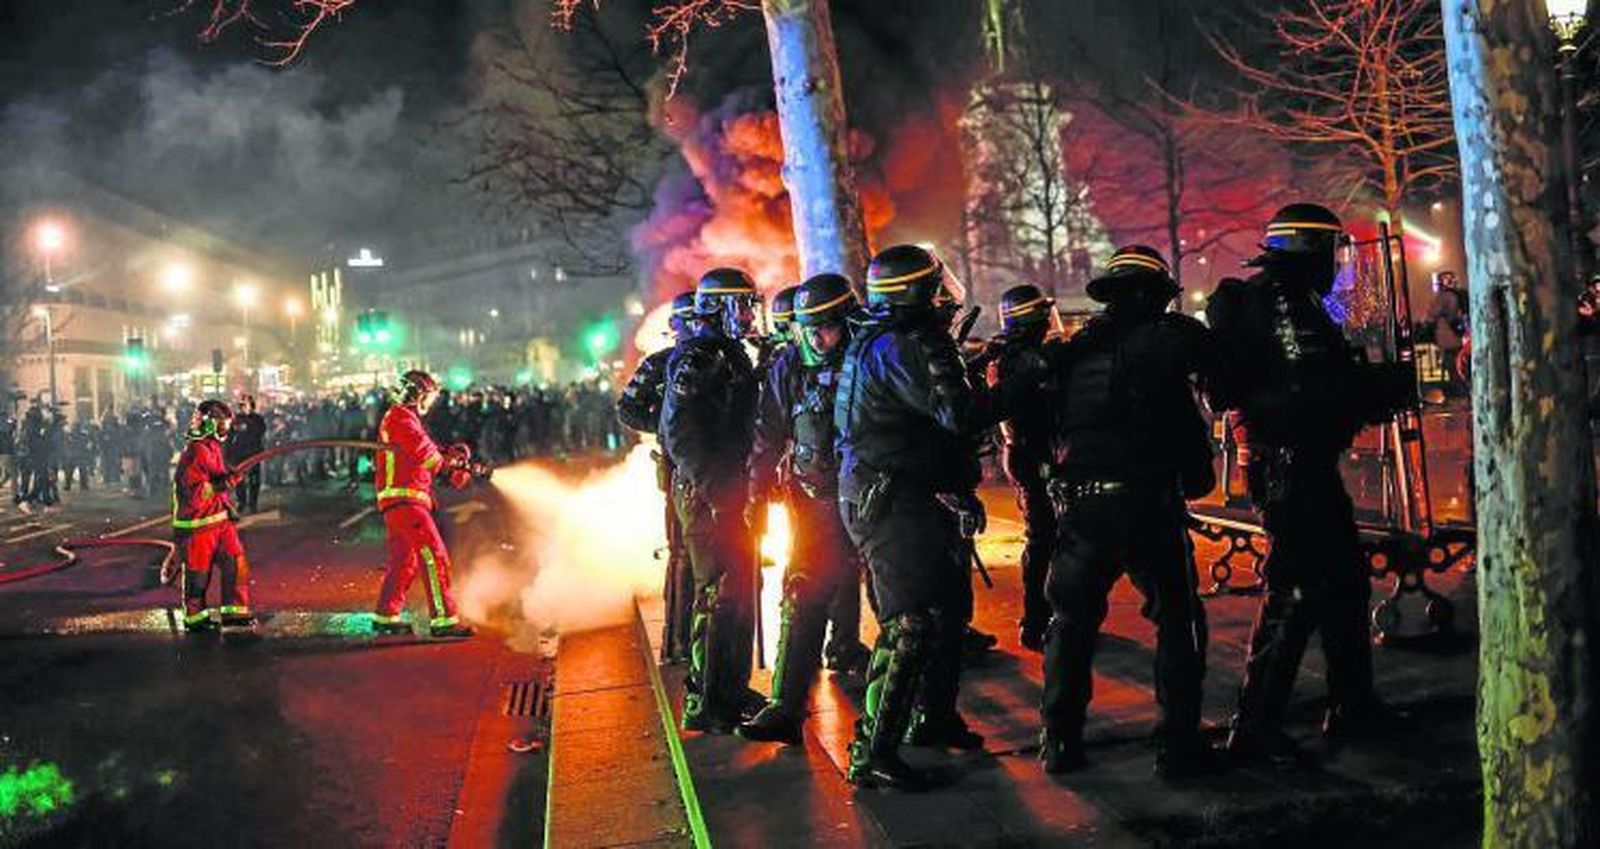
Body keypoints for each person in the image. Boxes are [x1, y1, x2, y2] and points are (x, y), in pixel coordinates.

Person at [1207, 204, 1414, 763]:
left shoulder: (1283, 302)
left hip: (1300, 466)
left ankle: (1353, 704)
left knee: (1345, 581)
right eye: (1331, 253)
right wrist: (1383, 386)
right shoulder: (1282, 307)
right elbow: (1311, 388)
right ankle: (1254, 724)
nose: (1336, 265)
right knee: (1294, 590)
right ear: (1311, 252)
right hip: (1291, 468)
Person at [835, 244, 1027, 789]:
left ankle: (933, 718)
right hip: (894, 504)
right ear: (920, 291)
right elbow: (958, 414)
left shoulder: (878, 338)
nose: (946, 297)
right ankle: (871, 749)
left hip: (902, 494)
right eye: (937, 286)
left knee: (947, 612)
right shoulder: (912, 341)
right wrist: (1025, 377)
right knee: (910, 625)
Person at [1038, 245, 1222, 779]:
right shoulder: (1164, 344)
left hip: (1080, 508)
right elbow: (1188, 425)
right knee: (1178, 619)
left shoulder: (1075, 350)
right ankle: (1177, 745)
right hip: (1145, 506)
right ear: (1151, 294)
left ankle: (1059, 741)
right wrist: (1196, 478)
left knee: (1069, 624)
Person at [739, 272, 863, 744]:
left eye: (826, 326)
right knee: (802, 593)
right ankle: (786, 705)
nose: (816, 337)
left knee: (904, 608)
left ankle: (910, 713)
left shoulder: (868, 355)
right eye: (807, 327)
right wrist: (756, 494)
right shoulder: (789, 364)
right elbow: (768, 433)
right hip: (816, 497)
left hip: (875, 496)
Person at [660, 268, 764, 733]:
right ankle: (708, 700)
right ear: (719, 306)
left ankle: (731, 689)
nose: (747, 314)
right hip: (708, 494)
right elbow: (678, 430)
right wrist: (716, 488)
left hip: (725, 488)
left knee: (739, 590)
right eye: (741, 304)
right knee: (719, 594)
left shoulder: (725, 352)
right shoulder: (700, 357)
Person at [973, 283, 1062, 652]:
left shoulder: (1009, 354)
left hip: (1026, 453)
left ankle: (1049, 615)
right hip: (1034, 454)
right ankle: (1036, 621)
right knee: (1043, 539)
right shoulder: (1025, 359)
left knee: (1047, 538)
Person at [616, 291, 698, 663]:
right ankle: (678, 643)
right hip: (681, 471)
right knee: (682, 556)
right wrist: (666, 428)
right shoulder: (661, 364)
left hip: (719, 473)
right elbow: (628, 408)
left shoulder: (728, 360)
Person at [371, 370, 478, 639]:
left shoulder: (405, 419)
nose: (430, 401)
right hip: (405, 500)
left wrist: (451, 458)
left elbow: (427, 450)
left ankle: (386, 615)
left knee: (404, 561)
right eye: (428, 395)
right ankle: (443, 620)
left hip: (404, 499)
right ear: (416, 395)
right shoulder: (400, 418)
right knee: (434, 555)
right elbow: (425, 454)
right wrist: (449, 466)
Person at [173, 400, 254, 632]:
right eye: (221, 425)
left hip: (219, 520)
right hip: (198, 524)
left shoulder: (212, 447)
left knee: (236, 563)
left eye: (226, 425)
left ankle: (235, 612)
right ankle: (195, 617)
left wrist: (228, 474)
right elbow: (193, 492)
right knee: (199, 574)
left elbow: (217, 473)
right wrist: (223, 484)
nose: (225, 431)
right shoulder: (194, 451)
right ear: (208, 424)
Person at [227, 395, 268, 514]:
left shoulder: (257, 419)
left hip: (253, 453)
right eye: (243, 404)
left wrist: (249, 418)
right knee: (239, 480)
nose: (245, 406)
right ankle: (242, 502)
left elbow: (260, 432)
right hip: (238, 453)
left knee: (254, 479)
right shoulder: (235, 419)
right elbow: (229, 437)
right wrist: (227, 454)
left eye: (248, 403)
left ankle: (253, 503)